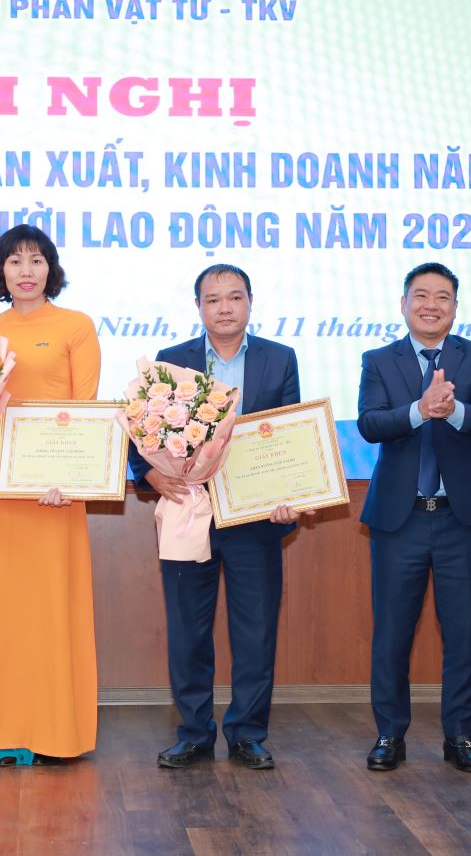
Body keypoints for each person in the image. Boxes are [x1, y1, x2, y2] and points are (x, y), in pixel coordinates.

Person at [129, 263, 302, 770]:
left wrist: (289, 493)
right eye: (213, 299)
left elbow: (289, 433)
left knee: (256, 632)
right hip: (190, 510)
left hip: (255, 517)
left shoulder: (279, 358)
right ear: (198, 307)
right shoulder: (171, 360)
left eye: (234, 297)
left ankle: (247, 734)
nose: (224, 308)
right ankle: (194, 734)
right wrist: (148, 473)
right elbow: (141, 430)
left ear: (250, 302)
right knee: (188, 630)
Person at [0, 223, 100, 764]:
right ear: (1, 271)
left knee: (49, 610)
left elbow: (85, 410)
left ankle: (53, 732)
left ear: (50, 269)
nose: (26, 271)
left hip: (53, 490)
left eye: (36, 260)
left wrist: (69, 478)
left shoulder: (76, 326)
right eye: (15, 261)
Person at [356, 262, 471, 774]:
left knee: (462, 631)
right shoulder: (379, 360)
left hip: (461, 518)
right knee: (392, 632)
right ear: (404, 304)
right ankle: (389, 735)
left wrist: (453, 410)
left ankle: (460, 736)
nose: (431, 305)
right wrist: (420, 410)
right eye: (421, 295)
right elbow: (370, 424)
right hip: (400, 520)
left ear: (455, 308)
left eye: (443, 297)